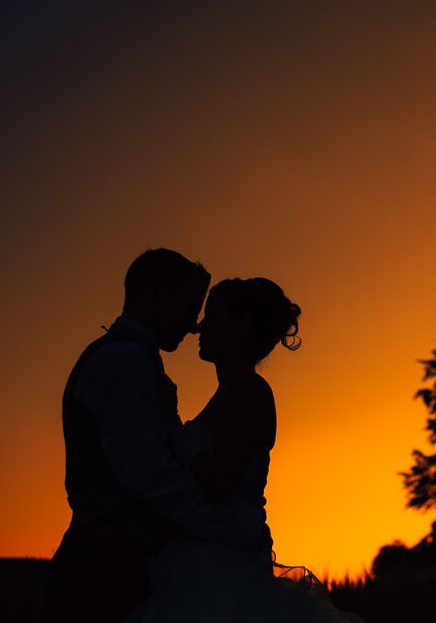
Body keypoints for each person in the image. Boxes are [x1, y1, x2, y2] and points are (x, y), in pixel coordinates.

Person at [47, 249, 270, 623]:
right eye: (189, 307)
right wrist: (236, 526)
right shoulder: (124, 363)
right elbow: (151, 477)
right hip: (105, 573)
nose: (193, 325)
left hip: (121, 568)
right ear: (154, 292)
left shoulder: (133, 362)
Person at [124, 277, 363, 622]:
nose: (199, 327)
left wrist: (173, 427)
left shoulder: (249, 392)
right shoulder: (232, 392)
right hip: (207, 562)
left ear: (243, 327)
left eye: (214, 316)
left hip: (223, 575)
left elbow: (220, 482)